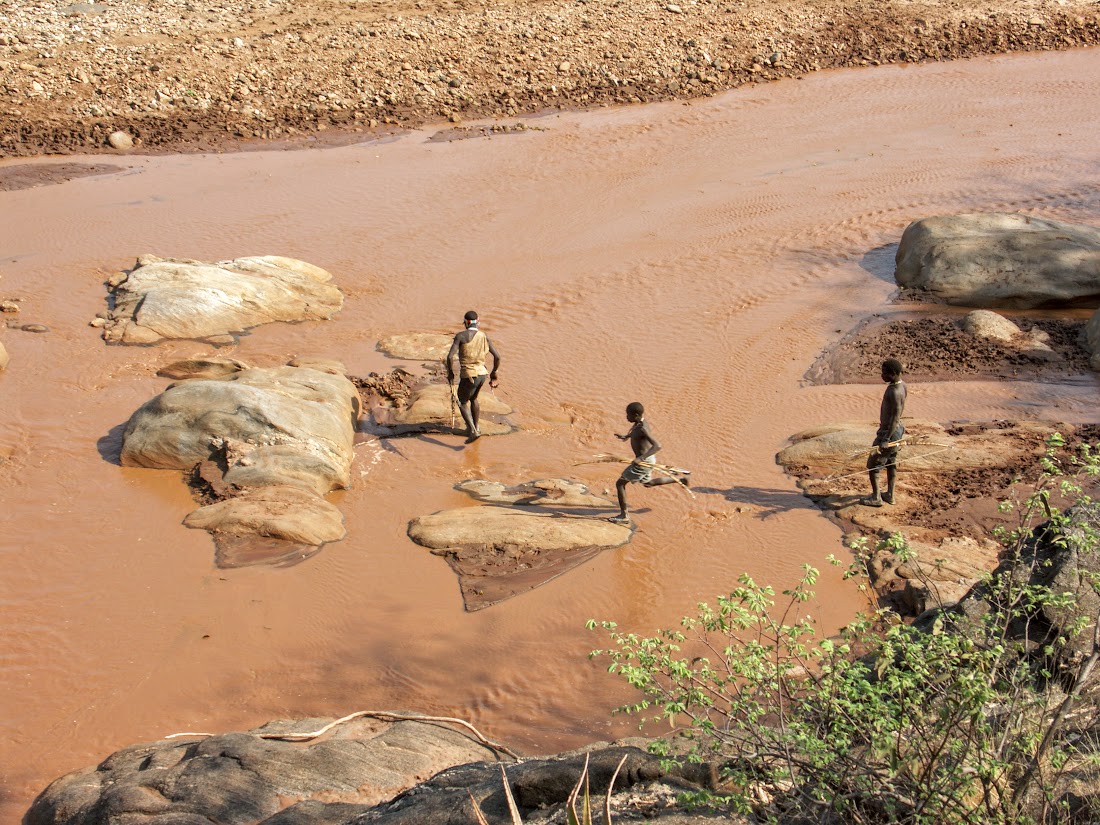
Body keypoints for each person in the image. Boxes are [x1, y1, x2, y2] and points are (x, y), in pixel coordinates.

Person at [610, 402, 689, 525]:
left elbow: (657, 445)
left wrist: (640, 459)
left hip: (644, 461)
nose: (626, 417)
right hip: (648, 460)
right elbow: (635, 432)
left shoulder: (643, 428)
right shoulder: (639, 423)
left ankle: (624, 516)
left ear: (636, 415)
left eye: (628, 415)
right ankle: (681, 480)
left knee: (620, 484)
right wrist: (626, 436)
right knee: (648, 483)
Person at [445, 310, 501, 443]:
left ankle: (473, 431)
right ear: (478, 322)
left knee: (462, 401)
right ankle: (475, 427)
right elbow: (497, 356)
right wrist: (494, 373)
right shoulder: (484, 336)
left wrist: (450, 372)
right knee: (474, 399)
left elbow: (449, 356)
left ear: (466, 322)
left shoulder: (461, 336)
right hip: (482, 374)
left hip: (469, 374)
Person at [862, 358, 907, 507]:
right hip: (898, 430)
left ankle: (876, 498)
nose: (882, 375)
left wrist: (886, 438)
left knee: (873, 465)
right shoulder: (902, 386)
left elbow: (894, 417)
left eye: (884, 373)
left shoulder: (894, 392)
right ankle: (890, 495)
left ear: (893, 374)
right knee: (891, 462)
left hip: (889, 431)